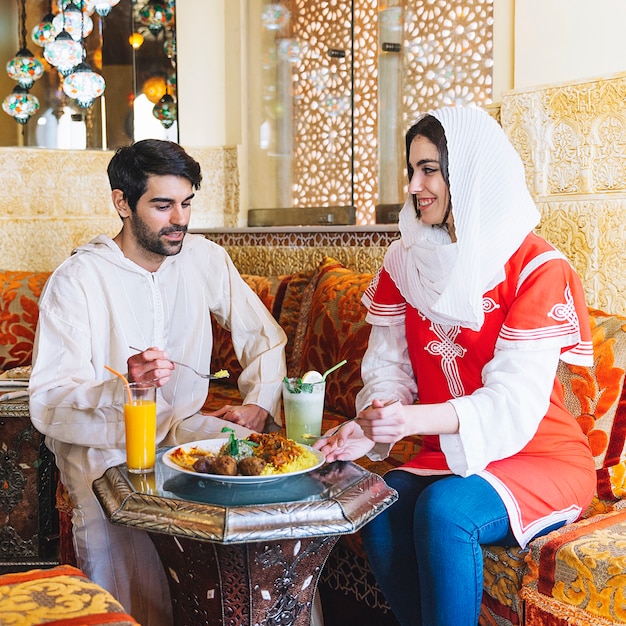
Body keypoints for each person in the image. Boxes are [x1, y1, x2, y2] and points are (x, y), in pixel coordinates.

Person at [315, 106, 595, 626]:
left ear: (469, 174)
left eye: (431, 170)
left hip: (539, 455)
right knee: (376, 504)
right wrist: (374, 418)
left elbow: (513, 402)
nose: (416, 186)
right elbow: (390, 370)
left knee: (445, 512)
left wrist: (412, 421)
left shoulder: (536, 265)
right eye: (412, 170)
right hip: (450, 453)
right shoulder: (404, 260)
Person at [29, 139, 287, 626]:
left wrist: (259, 401)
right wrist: (121, 385)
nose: (180, 219)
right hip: (101, 442)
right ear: (122, 203)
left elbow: (264, 335)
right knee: (125, 558)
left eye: (187, 202)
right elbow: (49, 399)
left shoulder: (203, 259)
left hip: (182, 426)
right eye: (163, 205)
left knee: (266, 483)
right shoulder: (78, 279)